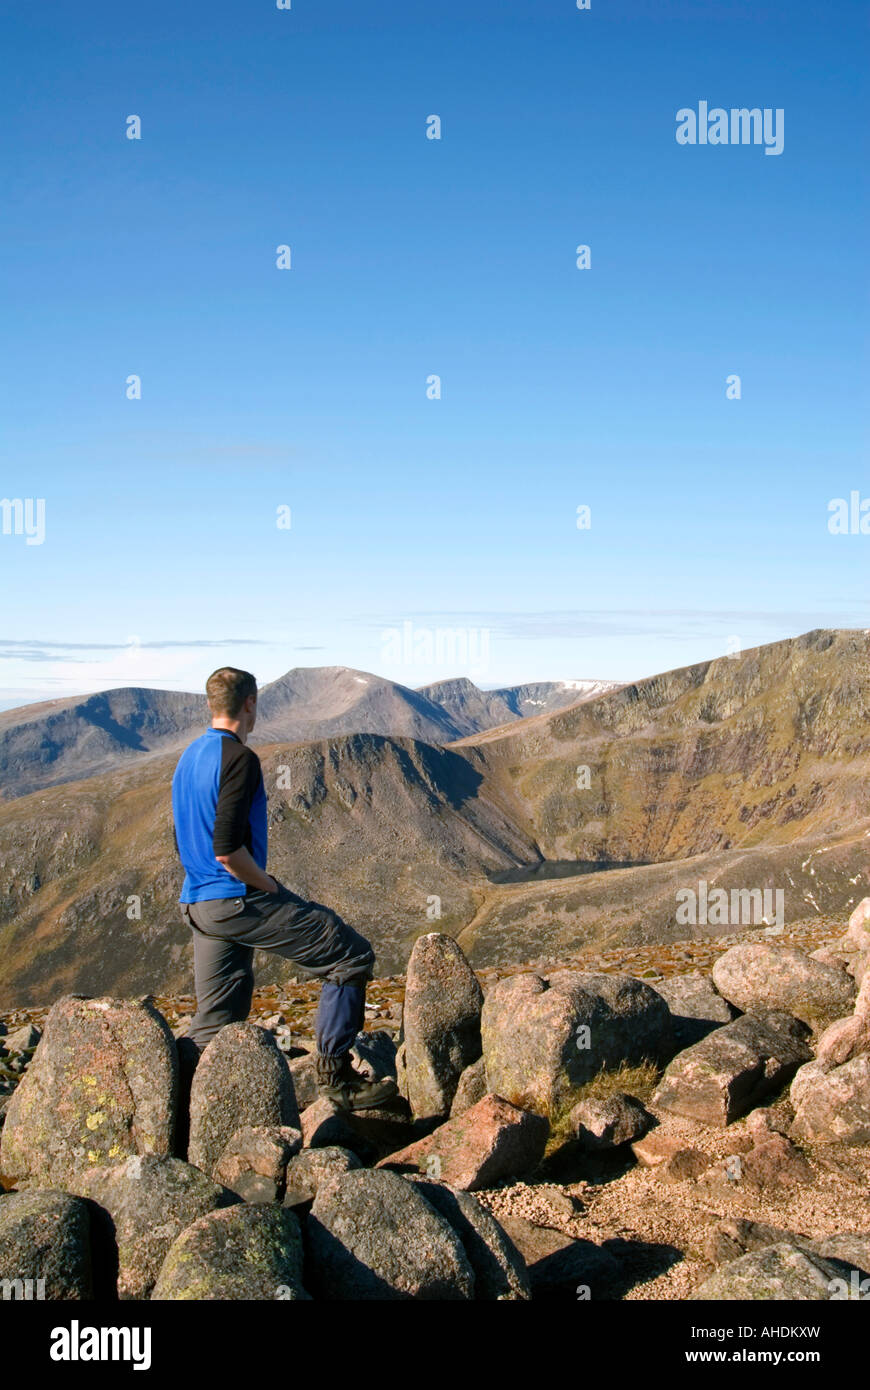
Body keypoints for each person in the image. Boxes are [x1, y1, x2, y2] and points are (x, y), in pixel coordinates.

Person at [171, 665, 397, 1110]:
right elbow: (227, 849)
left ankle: (184, 1118)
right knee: (350, 955)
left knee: (217, 1024)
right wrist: (268, 885)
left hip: (198, 904)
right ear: (250, 704)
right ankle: (337, 1079)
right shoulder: (239, 759)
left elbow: (183, 836)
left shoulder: (188, 757)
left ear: (211, 704)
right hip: (236, 897)